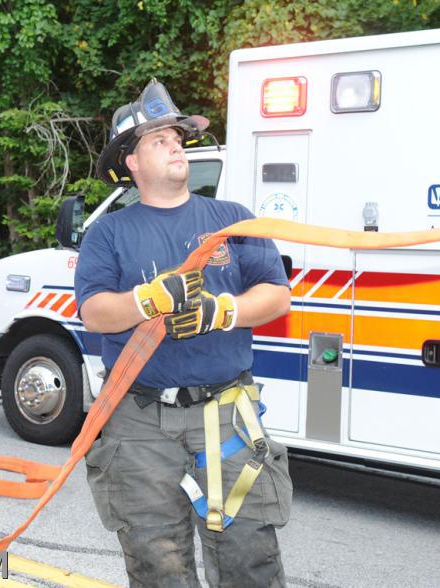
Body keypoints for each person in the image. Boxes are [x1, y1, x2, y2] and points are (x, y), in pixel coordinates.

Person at [75, 79, 293, 587]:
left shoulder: (232, 220)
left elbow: (276, 296)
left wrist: (222, 310)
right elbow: (95, 312)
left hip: (227, 417)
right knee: (156, 563)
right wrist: (146, 300)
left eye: (176, 137)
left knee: (248, 559)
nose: (175, 144)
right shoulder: (109, 232)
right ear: (131, 162)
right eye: (159, 140)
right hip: (139, 423)